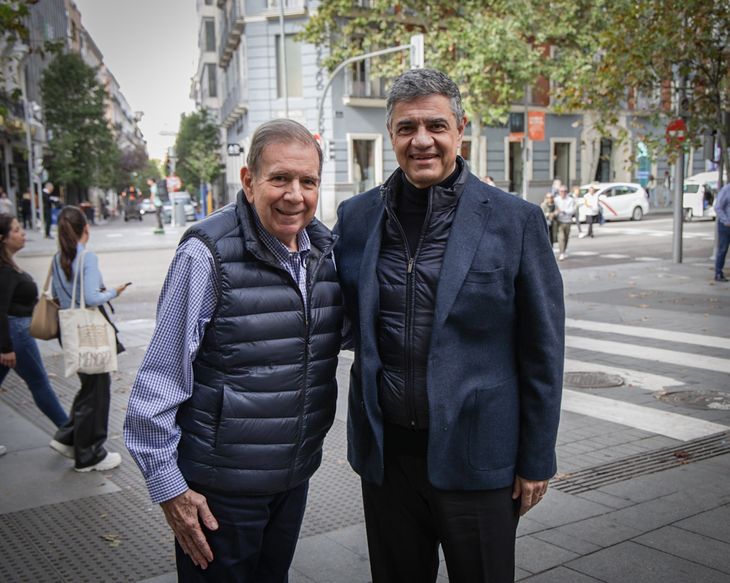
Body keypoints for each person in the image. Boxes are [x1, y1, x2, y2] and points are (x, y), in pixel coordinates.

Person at [334, 69, 564, 583]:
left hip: (480, 458)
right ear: (390, 134)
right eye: (406, 127)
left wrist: (536, 458)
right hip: (388, 460)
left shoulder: (515, 221)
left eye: (436, 125)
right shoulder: (356, 219)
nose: (422, 140)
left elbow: (543, 351)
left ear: (461, 129)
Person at [124, 119, 343, 580]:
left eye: (308, 182)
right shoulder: (206, 254)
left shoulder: (324, 252)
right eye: (279, 178)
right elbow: (158, 383)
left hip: (292, 476)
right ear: (249, 181)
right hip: (219, 491)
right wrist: (170, 489)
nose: (295, 195)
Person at [49, 206, 129, 471]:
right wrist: (114, 292)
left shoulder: (57, 259)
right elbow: (93, 298)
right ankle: (90, 454)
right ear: (86, 228)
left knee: (89, 388)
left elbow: (59, 295)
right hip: (89, 332)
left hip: (68, 330)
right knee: (97, 393)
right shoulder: (87, 258)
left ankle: (68, 437)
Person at [1, 216, 69, 458]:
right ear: (3, 239)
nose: (23, 234)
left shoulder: (8, 266)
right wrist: (6, 347)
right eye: (17, 230)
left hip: (13, 333)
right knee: (40, 384)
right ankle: (70, 436)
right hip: (16, 334)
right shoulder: (5, 271)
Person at [555, 184, 576, 260]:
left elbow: (572, 210)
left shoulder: (570, 200)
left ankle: (564, 250)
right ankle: (561, 253)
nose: (563, 193)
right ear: (559, 192)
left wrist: (563, 211)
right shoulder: (556, 200)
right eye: (561, 191)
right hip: (559, 221)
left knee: (566, 237)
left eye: (564, 191)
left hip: (568, 221)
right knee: (561, 237)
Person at [714, 182, 730, 282]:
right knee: (723, 249)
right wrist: (726, 221)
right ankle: (718, 273)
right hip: (726, 226)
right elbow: (718, 207)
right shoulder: (726, 190)